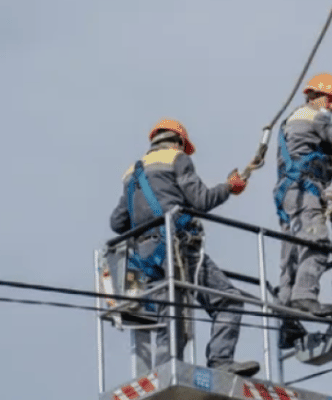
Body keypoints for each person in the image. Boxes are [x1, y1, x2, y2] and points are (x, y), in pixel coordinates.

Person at [110, 118, 261, 378]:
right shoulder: (177, 159)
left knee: (171, 318)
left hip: (146, 258)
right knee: (229, 301)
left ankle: (163, 373)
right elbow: (201, 200)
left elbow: (117, 222)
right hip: (177, 248)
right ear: (179, 142)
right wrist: (229, 188)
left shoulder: (131, 173)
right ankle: (220, 361)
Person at [274, 72, 332, 318]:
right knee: (317, 243)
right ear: (314, 96)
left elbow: (316, 157)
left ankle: (285, 310)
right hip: (305, 192)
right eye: (330, 100)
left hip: (289, 195)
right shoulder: (316, 118)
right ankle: (304, 295)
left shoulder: (292, 120)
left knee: (292, 251)